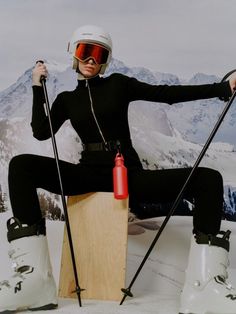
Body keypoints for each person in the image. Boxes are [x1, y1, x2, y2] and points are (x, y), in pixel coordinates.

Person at [1, 24, 236, 313]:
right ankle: (34, 282)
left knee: (208, 179)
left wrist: (222, 89)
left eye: (99, 54)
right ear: (74, 54)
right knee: (21, 166)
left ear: (105, 61)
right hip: (86, 174)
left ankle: (204, 287)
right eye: (85, 51)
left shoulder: (119, 85)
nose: (91, 60)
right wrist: (38, 87)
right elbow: (40, 131)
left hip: (128, 175)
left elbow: (167, 94)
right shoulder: (66, 100)